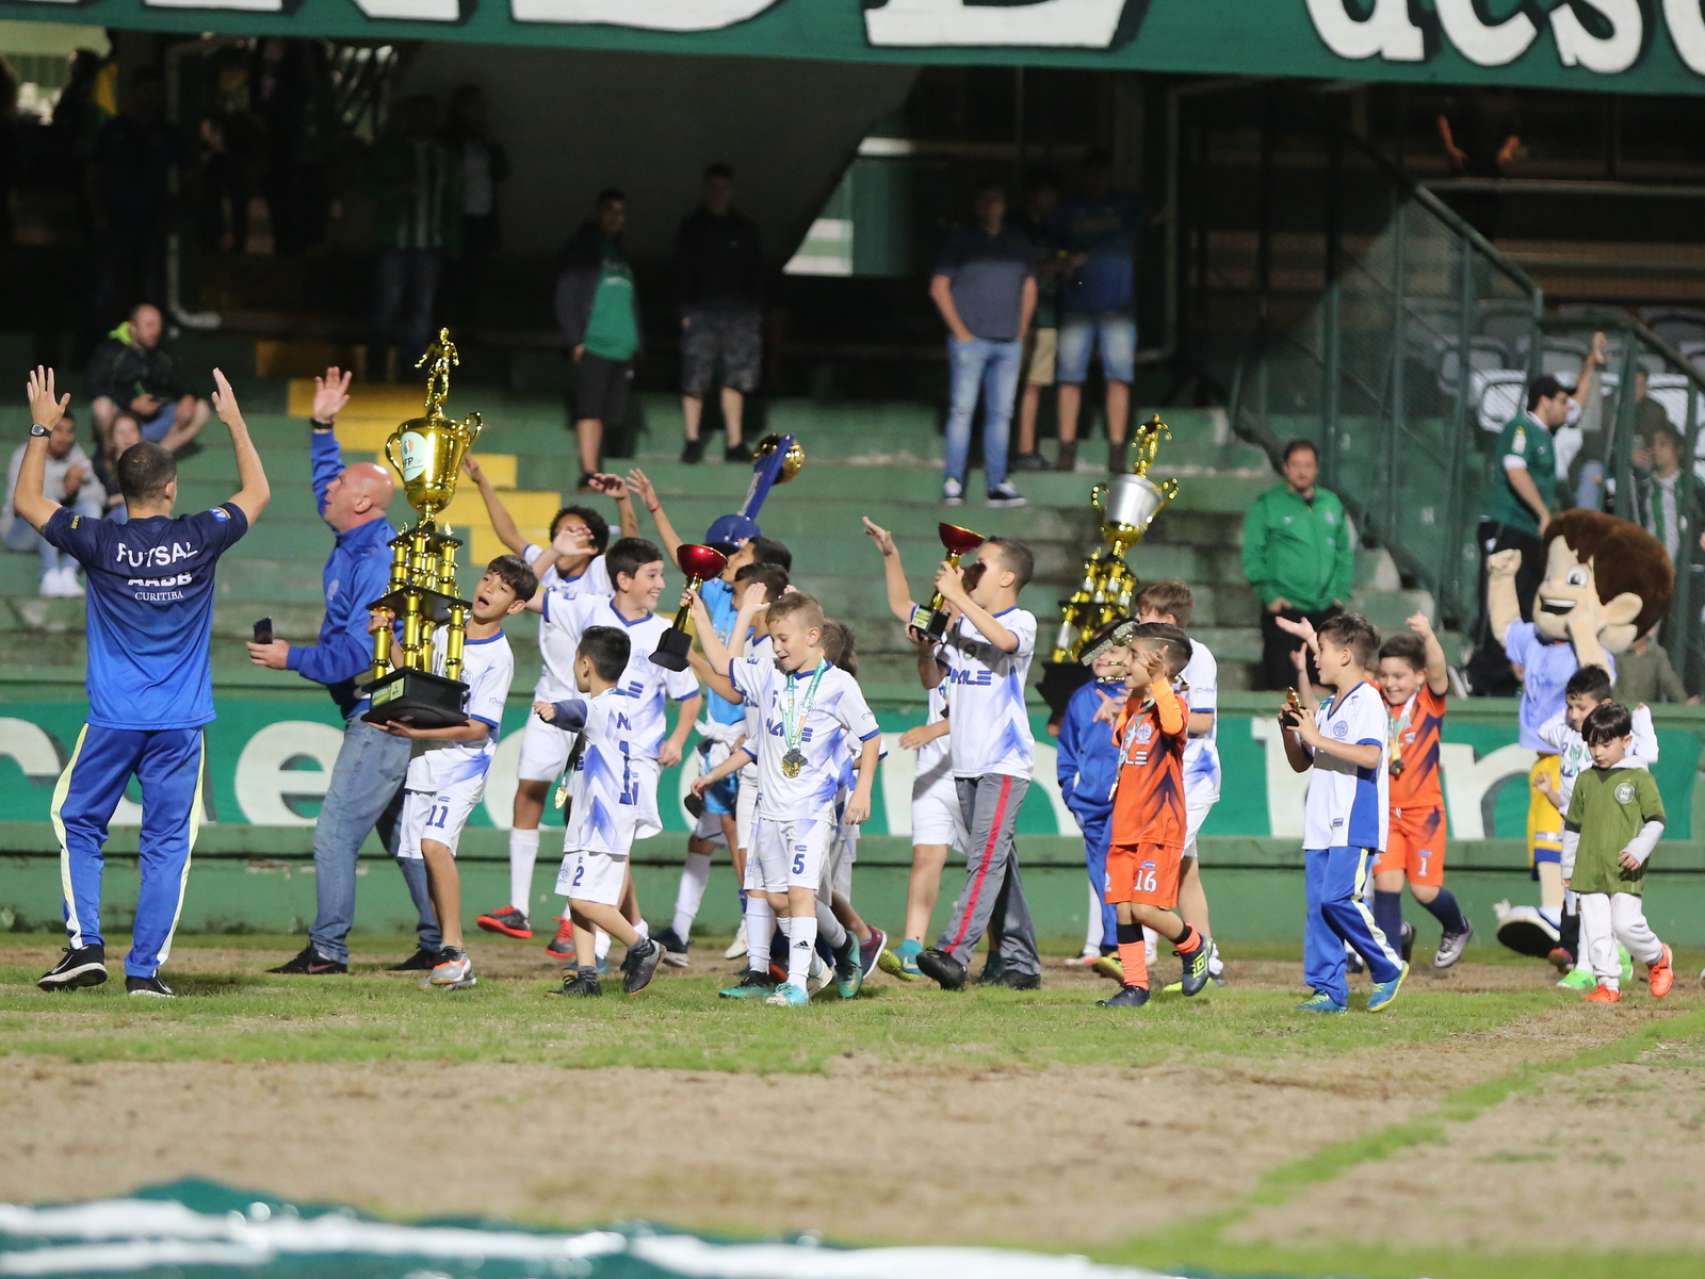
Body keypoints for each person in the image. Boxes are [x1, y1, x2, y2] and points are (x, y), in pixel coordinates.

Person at [23, 365, 268, 998]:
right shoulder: (199, 536)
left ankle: (86, 947)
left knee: (78, 822)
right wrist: (236, 422)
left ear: (123, 487)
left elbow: (26, 503)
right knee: (166, 844)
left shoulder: (100, 540)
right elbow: (258, 493)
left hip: (114, 717)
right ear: (170, 486)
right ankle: (143, 973)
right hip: (180, 723)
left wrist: (41, 430)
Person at [254, 368, 443, 976]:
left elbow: (356, 658)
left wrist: (292, 658)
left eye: (338, 484)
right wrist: (321, 427)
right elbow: (324, 485)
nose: (325, 489)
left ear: (362, 502)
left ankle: (329, 950)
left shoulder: (374, 564)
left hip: (378, 709)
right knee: (402, 837)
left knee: (334, 834)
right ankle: (441, 942)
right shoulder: (355, 536)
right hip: (377, 708)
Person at [461, 456, 637, 941]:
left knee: (583, 805)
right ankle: (518, 907)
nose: (568, 536)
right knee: (530, 792)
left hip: (593, 705)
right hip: (548, 699)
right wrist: (481, 483)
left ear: (595, 546)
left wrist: (623, 501)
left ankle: (572, 916)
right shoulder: (547, 569)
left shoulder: (602, 574)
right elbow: (510, 539)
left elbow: (630, 547)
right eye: (562, 529)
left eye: (579, 531)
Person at [692, 590, 881, 1006]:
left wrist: (862, 790)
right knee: (778, 899)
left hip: (811, 813)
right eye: (773, 640)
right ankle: (844, 948)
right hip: (769, 810)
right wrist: (700, 615)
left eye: (783, 639)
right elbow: (724, 664)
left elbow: (870, 737)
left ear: (813, 636)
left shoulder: (838, 684)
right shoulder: (769, 675)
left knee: (798, 896)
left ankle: (796, 984)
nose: (776, 648)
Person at [534, 537, 704, 954]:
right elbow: (531, 596)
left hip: (638, 758)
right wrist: (551, 554)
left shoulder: (667, 631)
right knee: (598, 844)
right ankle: (631, 927)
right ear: (623, 579)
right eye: (652, 574)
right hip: (590, 754)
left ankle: (609, 943)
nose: (661, 583)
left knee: (613, 842)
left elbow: (689, 695)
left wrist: (678, 739)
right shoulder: (589, 609)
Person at [378, 555, 535, 992]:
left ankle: (452, 949)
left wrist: (415, 729)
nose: (488, 588)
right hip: (425, 758)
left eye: (502, 588)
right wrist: (386, 636)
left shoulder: (498, 658)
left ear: (516, 606)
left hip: (463, 764)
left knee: (434, 845)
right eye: (487, 578)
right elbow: (412, 675)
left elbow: (480, 726)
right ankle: (451, 956)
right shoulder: (445, 631)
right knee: (422, 854)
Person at [913, 538, 1044, 991]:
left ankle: (953, 952)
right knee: (998, 862)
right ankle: (1019, 963)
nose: (969, 570)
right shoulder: (963, 621)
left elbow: (1005, 642)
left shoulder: (1019, 620)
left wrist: (959, 599)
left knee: (985, 860)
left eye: (980, 565)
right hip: (966, 761)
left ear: (1007, 577)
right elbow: (933, 679)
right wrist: (926, 645)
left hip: (1003, 760)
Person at [1278, 613, 1407, 1014]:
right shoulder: (1331, 705)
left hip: (1352, 819)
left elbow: (1371, 755)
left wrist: (1317, 737)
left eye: (1325, 649)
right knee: (1320, 908)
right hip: (1320, 823)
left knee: (1338, 898)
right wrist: (1292, 731)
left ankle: (1387, 966)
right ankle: (1328, 990)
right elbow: (1303, 763)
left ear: (1346, 655)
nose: (1318, 658)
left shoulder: (1367, 698)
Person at [538, 626, 668, 998]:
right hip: (590, 817)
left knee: (585, 900)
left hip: (603, 820)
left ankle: (643, 945)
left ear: (585, 664)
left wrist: (552, 710)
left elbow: (577, 712)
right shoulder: (619, 706)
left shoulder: (604, 705)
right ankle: (586, 976)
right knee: (575, 897)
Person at [1096, 623, 1212, 1009]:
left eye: (1134, 656)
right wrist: (1125, 697)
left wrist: (1159, 682)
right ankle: (1135, 986)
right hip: (1126, 824)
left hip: (1158, 825)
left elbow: (1177, 726)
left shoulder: (1173, 703)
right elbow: (1123, 744)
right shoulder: (1136, 706)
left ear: (1160, 666)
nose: (1125, 662)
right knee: (1124, 909)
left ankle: (1194, 945)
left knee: (1146, 908)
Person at [1536, 666, 1657, 991]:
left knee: (1602, 901)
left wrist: (1640, 721)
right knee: (1581, 901)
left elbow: (1649, 753)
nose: (1574, 715)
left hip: (1608, 831)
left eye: (1582, 707)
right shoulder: (1568, 733)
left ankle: (1594, 966)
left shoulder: (1612, 744)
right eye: (1570, 707)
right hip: (1573, 825)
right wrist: (1574, 715)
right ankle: (1600, 964)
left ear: (1603, 705)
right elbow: (1543, 730)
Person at [1133, 580, 1226, 986]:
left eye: (1145, 614)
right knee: (1186, 869)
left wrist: (1164, 701)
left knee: (1158, 861)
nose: (1137, 620)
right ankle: (1212, 959)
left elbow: (1202, 720)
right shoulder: (1146, 659)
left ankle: (1147, 950)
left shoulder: (1197, 657)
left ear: (1169, 621)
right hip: (1163, 776)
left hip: (1191, 777)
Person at [1373, 614, 1473, 969]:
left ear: (1417, 677)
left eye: (1398, 676)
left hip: (1424, 813)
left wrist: (1429, 637)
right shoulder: (1376, 702)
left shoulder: (1429, 702)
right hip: (1386, 812)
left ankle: (1457, 926)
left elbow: (1438, 671)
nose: (1390, 683)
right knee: (1385, 884)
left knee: (1424, 891)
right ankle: (1390, 964)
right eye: (1384, 675)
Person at [929, 179, 1036, 509]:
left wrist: (1020, 331)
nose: (992, 207)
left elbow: (1029, 286)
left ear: (1004, 206)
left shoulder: (1018, 242)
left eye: (997, 200)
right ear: (978, 206)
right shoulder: (962, 241)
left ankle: (997, 483)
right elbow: (939, 287)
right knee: (962, 411)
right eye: (986, 200)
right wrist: (961, 332)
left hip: (1007, 341)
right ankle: (953, 482)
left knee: (1001, 414)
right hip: (971, 341)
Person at [1465, 374, 1574, 696]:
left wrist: (1593, 362)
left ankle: (1503, 678)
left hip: (1527, 534)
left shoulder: (1545, 434)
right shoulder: (1521, 429)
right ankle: (1477, 673)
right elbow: (1515, 469)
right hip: (1507, 526)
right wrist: (1544, 513)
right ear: (1545, 400)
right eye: (1562, 402)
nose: (1568, 409)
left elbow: (1579, 401)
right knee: (1497, 599)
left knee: (1524, 604)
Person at [1562, 702, 1675, 1004]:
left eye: (1605, 744)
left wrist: (1639, 849)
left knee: (1625, 924)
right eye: (1592, 744)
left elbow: (1656, 821)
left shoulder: (1639, 777)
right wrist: (1568, 867)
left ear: (1626, 741)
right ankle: (1608, 984)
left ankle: (1657, 957)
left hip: (1625, 868)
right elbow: (1573, 826)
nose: (1597, 752)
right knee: (1596, 930)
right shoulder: (1585, 779)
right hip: (1589, 868)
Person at [1051, 151, 1145, 473]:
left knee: (1118, 377)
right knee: (1069, 379)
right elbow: (1055, 250)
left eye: (1102, 175)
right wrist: (1068, 260)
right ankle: (1066, 450)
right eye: (1092, 175)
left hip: (1117, 308)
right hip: (1077, 306)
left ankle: (1117, 450)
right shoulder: (1069, 211)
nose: (1097, 181)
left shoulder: (1125, 207)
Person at [1242, 439, 1354, 691]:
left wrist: (1341, 592)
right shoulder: (1267, 504)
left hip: (1327, 610)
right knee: (1286, 686)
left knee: (1326, 687)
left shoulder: (1331, 503)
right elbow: (1252, 552)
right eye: (1296, 465)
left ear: (1316, 468)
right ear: (1285, 468)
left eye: (1308, 465)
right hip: (1286, 609)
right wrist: (1269, 594)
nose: (1302, 471)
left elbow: (1344, 550)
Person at [676, 162, 762, 465]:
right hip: (700, 311)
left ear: (731, 190)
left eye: (723, 188)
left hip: (738, 313)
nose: (718, 194)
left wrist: (752, 313)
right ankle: (692, 439)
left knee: (735, 378)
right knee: (694, 376)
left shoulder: (744, 228)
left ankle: (734, 441)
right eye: (713, 187)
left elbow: (755, 273)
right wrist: (684, 311)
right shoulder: (692, 227)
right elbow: (681, 272)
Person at [369, 94, 460, 375]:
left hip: (430, 245)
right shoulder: (391, 150)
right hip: (395, 242)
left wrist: (454, 243)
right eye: (417, 114)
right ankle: (377, 370)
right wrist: (398, 190)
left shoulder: (443, 154)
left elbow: (452, 200)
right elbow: (371, 187)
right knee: (386, 308)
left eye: (428, 114)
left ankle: (412, 372)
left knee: (422, 313)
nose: (423, 120)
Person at [556, 188, 639, 489]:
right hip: (594, 342)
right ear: (599, 213)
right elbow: (567, 293)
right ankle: (589, 470)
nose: (616, 218)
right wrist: (575, 338)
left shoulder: (621, 252)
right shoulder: (584, 248)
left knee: (611, 412)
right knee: (589, 408)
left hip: (621, 346)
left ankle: (598, 466)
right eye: (610, 211)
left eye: (621, 212)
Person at [1057, 621, 1127, 974]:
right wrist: (1072, 791)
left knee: (1121, 872)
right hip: (1090, 803)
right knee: (1101, 874)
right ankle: (1112, 945)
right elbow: (1067, 752)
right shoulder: (1082, 698)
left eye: (1112, 650)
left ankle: (1120, 946)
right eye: (1098, 648)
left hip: (1126, 801)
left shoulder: (1138, 697)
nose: (1103, 657)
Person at [88, 69, 179, 334]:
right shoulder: (114, 130)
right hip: (116, 222)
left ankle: (151, 343)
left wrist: (174, 216)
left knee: (151, 287)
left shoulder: (167, 134)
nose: (151, 98)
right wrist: (99, 215)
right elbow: (92, 176)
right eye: (146, 91)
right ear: (134, 94)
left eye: (156, 92)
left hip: (153, 224)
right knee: (111, 286)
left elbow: (184, 178)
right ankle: (105, 341)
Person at [85, 303, 210, 455]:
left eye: (158, 325)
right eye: (149, 325)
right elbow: (94, 386)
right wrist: (131, 402)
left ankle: (158, 457)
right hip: (123, 422)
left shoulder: (161, 350)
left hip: (154, 420)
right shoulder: (111, 350)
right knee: (101, 406)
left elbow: (183, 380)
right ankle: (111, 456)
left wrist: (188, 396)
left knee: (201, 408)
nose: (156, 331)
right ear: (133, 327)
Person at [3, 408, 104, 595]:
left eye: (70, 431)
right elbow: (22, 505)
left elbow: (100, 496)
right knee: (45, 502)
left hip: (59, 533)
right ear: (48, 431)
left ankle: (68, 571)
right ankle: (49, 574)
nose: (64, 437)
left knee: (90, 506)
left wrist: (75, 490)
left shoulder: (76, 455)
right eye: (58, 430)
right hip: (20, 532)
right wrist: (63, 488)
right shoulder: (25, 453)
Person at [1011, 169, 1062, 472]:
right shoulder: (1016, 228)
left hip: (1044, 317)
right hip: (1014, 321)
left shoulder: (1055, 227)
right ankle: (1011, 448)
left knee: (1033, 385)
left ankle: (1026, 448)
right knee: (1010, 387)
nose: (1049, 201)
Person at [444, 83, 509, 323]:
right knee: (454, 273)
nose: (477, 110)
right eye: (471, 105)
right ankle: (451, 329)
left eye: (480, 105)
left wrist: (491, 143)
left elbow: (502, 172)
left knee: (477, 272)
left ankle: (471, 325)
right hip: (457, 216)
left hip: (483, 214)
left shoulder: (485, 140)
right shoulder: (449, 140)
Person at [1634, 424, 1705, 568]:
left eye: (1662, 444)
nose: (1655, 449)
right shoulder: (1643, 486)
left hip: (1686, 568)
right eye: (1652, 444)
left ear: (1677, 450)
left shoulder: (1692, 484)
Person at [1613, 629, 1692, 706]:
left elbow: (1668, 680)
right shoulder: (1617, 653)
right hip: (1620, 709)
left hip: (1644, 710)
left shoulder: (1657, 654)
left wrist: (1683, 701)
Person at [90, 412, 141, 522]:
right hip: (109, 521)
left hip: (141, 518)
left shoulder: (150, 465)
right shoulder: (101, 465)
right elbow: (94, 500)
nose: (127, 436)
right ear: (112, 438)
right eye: (121, 432)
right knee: (125, 512)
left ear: (139, 435)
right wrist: (120, 499)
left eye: (132, 430)